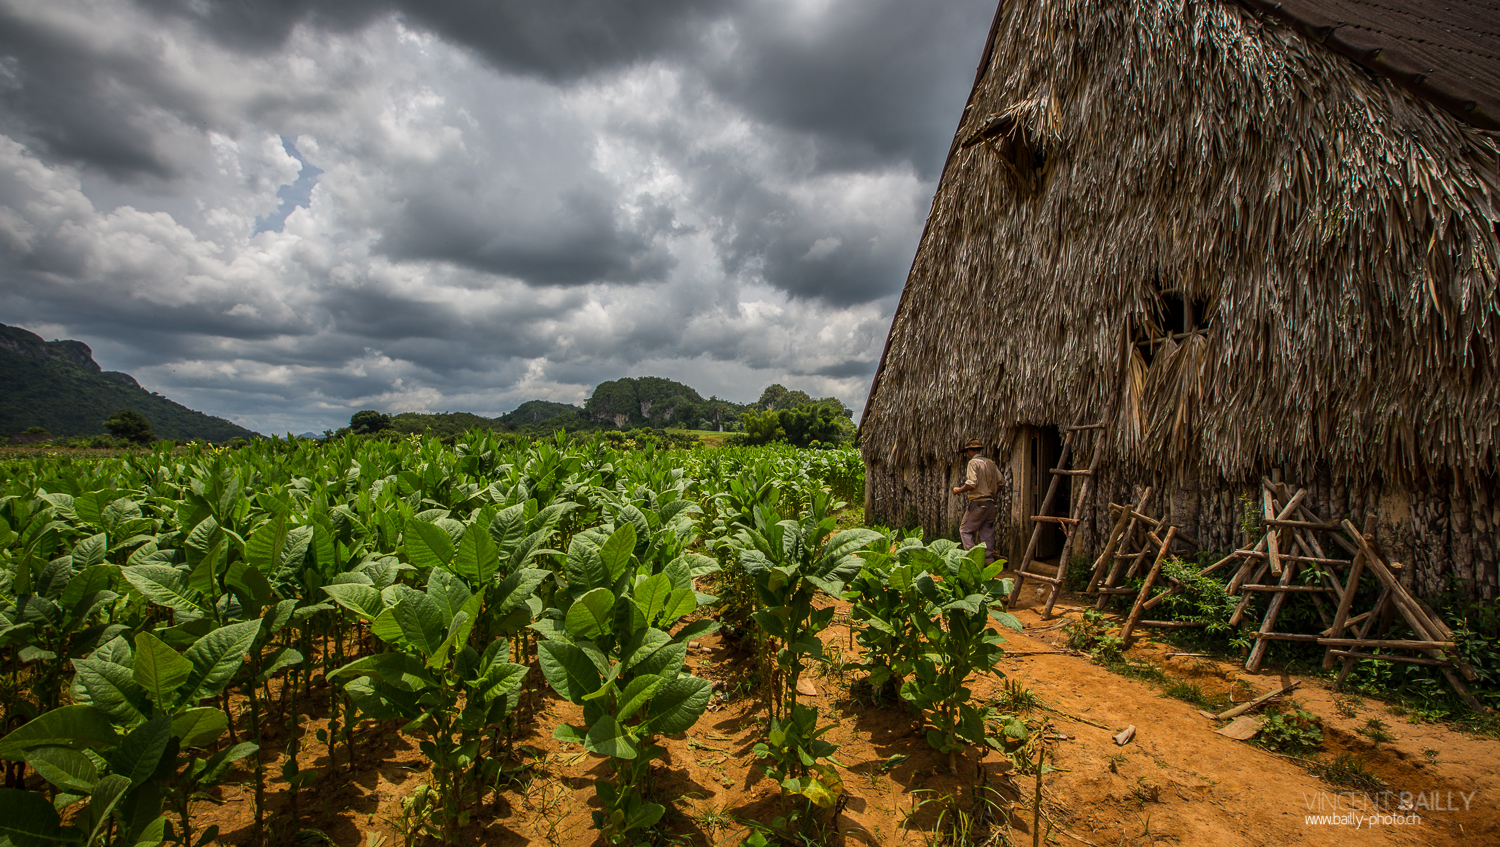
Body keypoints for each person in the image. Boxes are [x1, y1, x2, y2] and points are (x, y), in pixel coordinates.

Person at [951, 438, 1000, 563]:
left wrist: (959, 490)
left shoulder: (973, 463)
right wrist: (993, 493)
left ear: (969, 451)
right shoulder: (990, 463)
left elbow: (971, 483)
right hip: (990, 503)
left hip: (978, 502)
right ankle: (988, 559)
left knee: (965, 530)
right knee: (986, 530)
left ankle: (974, 559)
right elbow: (1001, 482)